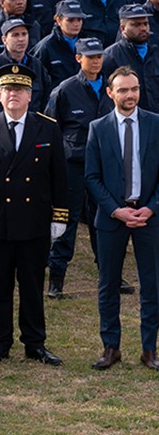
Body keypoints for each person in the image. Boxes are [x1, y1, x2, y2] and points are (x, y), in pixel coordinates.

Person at [0, 63, 69, 366]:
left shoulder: (47, 127)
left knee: (33, 285)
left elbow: (59, 176)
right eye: (9, 89)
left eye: (20, 90)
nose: (14, 95)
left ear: (30, 96)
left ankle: (35, 343)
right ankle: (0, 343)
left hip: (34, 221)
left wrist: (59, 216)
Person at [85, 66, 159, 371]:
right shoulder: (98, 128)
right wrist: (116, 210)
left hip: (149, 217)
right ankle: (111, 347)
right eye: (124, 90)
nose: (130, 95)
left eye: (135, 89)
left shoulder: (156, 124)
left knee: (152, 285)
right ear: (110, 92)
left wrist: (152, 207)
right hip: (111, 217)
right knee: (108, 284)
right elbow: (91, 176)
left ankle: (149, 349)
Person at [44, 37, 113, 298]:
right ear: (78, 58)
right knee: (67, 219)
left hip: (105, 166)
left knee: (105, 220)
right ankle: (56, 280)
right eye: (90, 56)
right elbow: (51, 129)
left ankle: (110, 274)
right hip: (73, 164)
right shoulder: (64, 90)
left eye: (99, 56)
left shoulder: (110, 87)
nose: (95, 60)